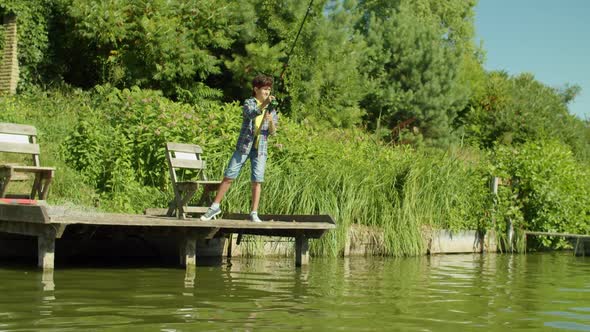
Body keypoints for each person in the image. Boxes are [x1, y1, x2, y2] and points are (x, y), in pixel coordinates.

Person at [200, 74, 279, 222]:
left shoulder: (271, 109)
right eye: (264, 89)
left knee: (257, 180)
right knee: (230, 175)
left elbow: (273, 132)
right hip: (244, 145)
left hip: (260, 149)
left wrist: (270, 121)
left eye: (269, 90)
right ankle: (215, 206)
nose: (267, 92)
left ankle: (254, 213)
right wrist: (263, 105)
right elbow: (250, 114)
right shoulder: (250, 102)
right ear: (256, 89)